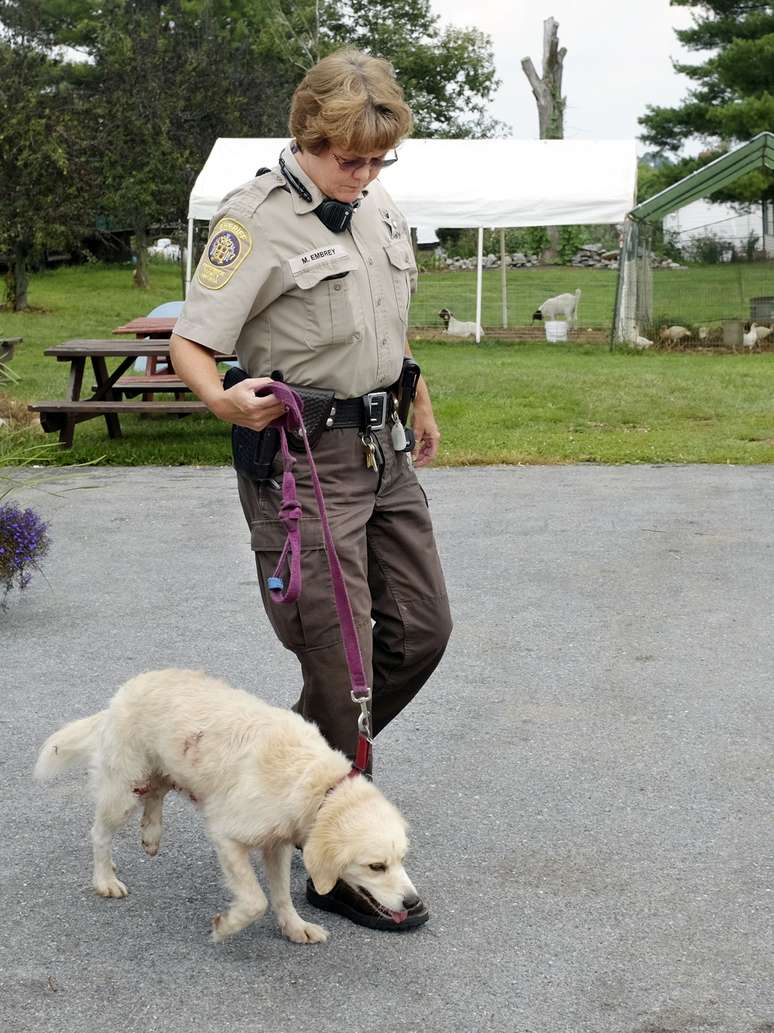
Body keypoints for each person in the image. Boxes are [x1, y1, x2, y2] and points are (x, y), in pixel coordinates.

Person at [169, 49, 452, 930]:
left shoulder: (378, 206)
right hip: (302, 458)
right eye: (350, 160)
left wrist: (420, 400)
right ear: (308, 136)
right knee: (344, 663)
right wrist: (220, 397)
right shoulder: (251, 220)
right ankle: (334, 856)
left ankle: (290, 768)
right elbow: (192, 340)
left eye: (378, 161)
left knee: (423, 629)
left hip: (382, 446)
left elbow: (390, 327)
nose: (365, 175)